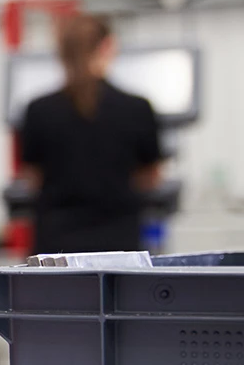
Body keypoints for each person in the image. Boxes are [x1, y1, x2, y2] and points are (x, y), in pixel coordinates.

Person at [20, 14, 165, 255]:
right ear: (107, 47)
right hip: (119, 246)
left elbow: (32, 179)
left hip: (56, 248)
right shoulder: (137, 108)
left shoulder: (39, 110)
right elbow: (151, 177)